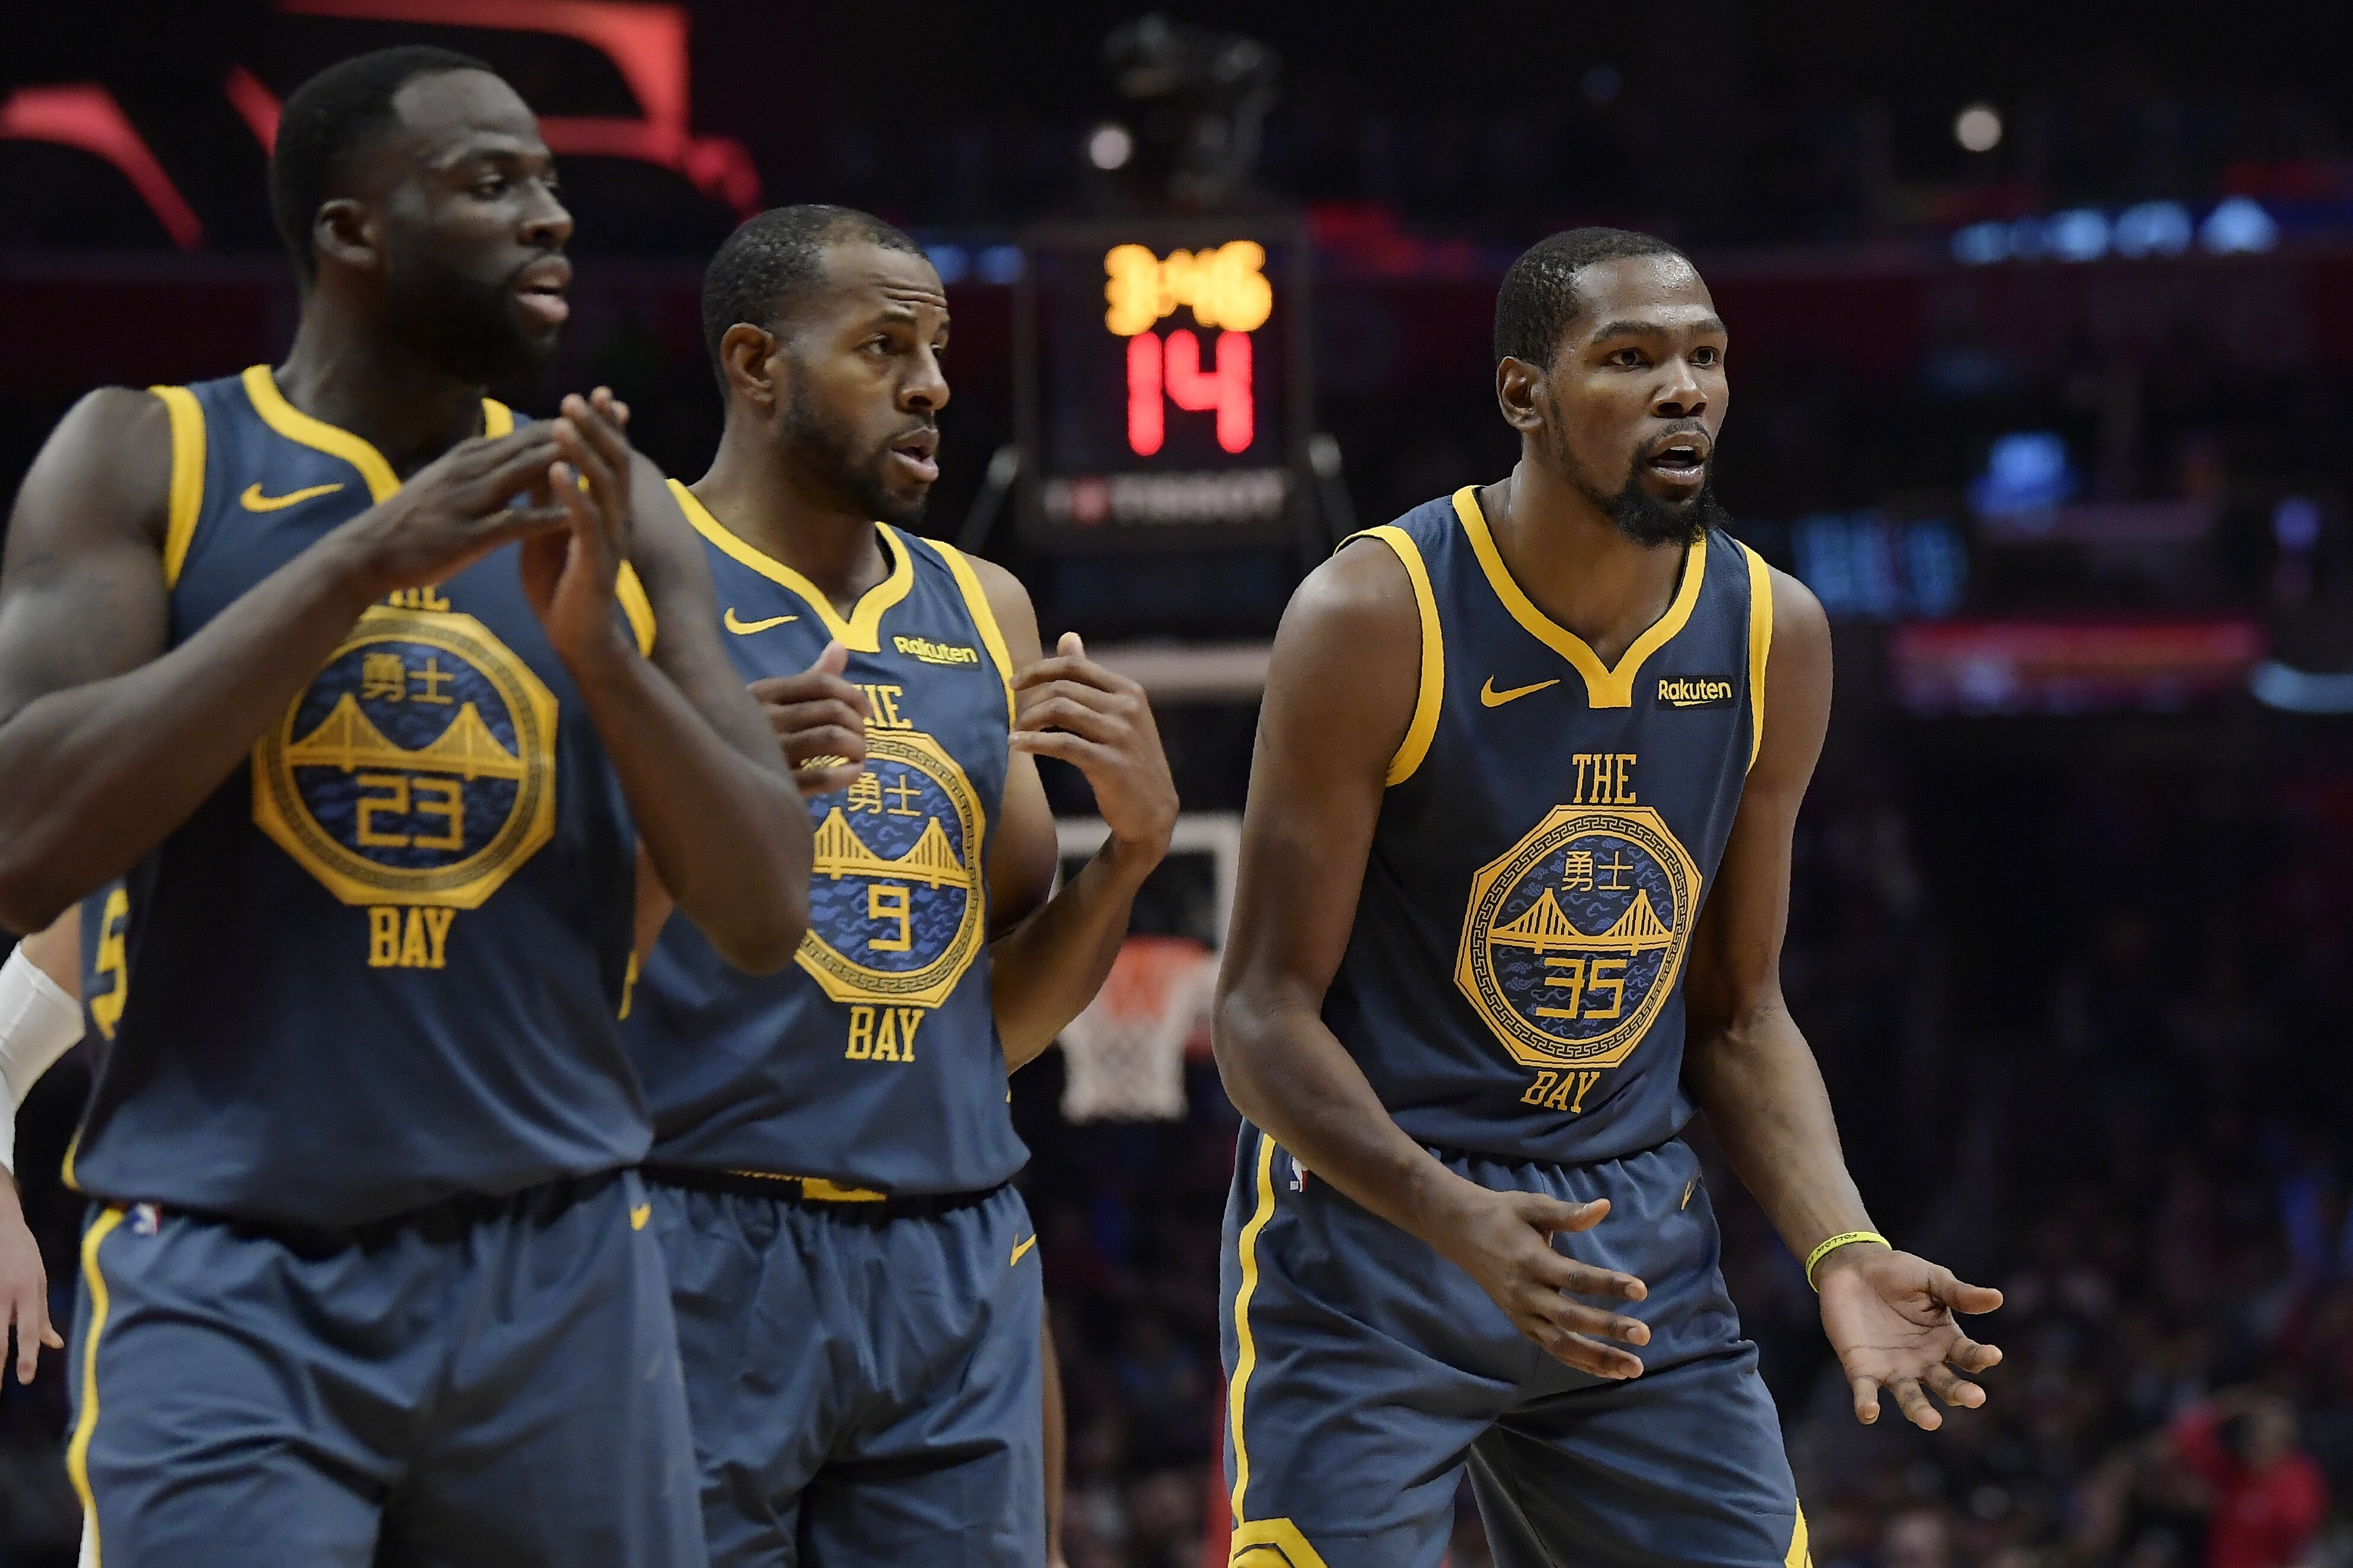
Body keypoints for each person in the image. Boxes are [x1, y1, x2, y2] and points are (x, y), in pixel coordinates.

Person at [0, 46, 813, 1568]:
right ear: (348, 229)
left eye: (554, 186)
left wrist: (603, 667)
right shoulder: (149, 453)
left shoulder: (616, 500)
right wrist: (362, 566)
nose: (549, 215)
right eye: (490, 182)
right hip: (234, 1262)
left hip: (560, 1267)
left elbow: (767, 913)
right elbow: (24, 841)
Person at [1210, 227, 2004, 1568]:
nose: (1681, 388)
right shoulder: (1373, 611)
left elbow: (1739, 1017)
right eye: (1629, 359)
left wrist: (1842, 1246)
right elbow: (1259, 1016)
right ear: (1524, 394)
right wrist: (1455, 1215)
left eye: (1704, 357)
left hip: (1629, 1242)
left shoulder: (1774, 633)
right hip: (1376, 1243)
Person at [620, 203, 1178, 1567]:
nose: (931, 383)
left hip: (951, 1243)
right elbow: (534, 959)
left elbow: (985, 1029)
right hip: (691, 1231)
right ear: (756, 363)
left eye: (934, 348)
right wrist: (702, 790)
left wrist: (1130, 860)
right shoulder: (634, 584)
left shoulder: (982, 606)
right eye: (883, 347)